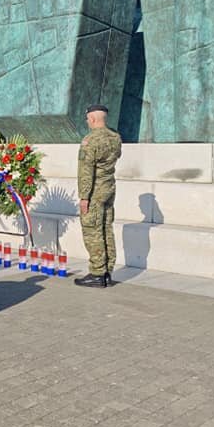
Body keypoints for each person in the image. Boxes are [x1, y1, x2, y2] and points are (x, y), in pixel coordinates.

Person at [74, 104, 123, 289]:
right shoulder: (115, 138)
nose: (87, 122)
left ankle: (97, 273)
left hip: (94, 192)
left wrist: (84, 197)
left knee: (92, 231)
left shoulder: (90, 141)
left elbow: (86, 172)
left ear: (92, 119)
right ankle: (107, 272)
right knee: (106, 229)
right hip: (109, 189)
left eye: (88, 119)